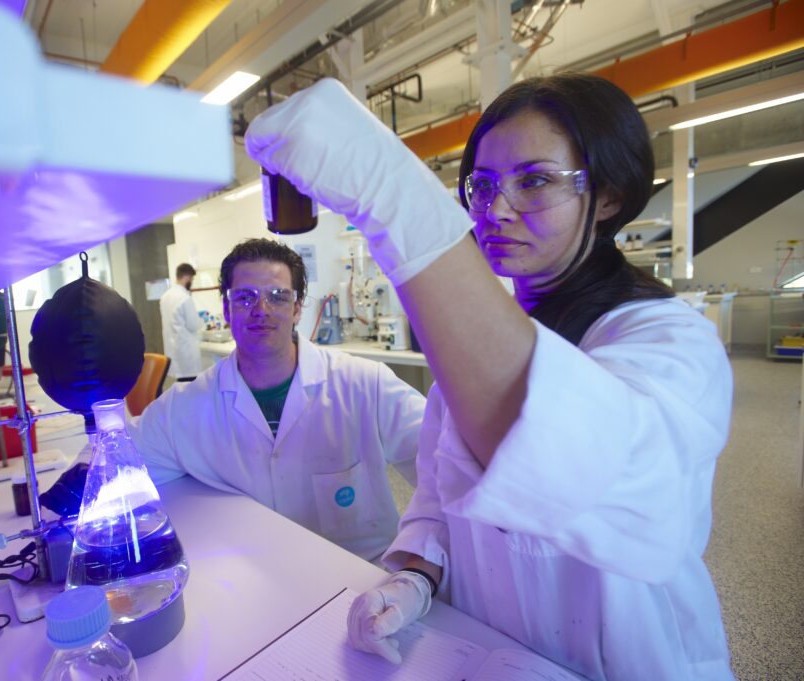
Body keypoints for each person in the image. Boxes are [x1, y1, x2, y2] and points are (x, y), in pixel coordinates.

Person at [245, 75, 734, 680]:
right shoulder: (488, 335)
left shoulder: (669, 340)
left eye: (533, 181)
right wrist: (414, 579)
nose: (496, 209)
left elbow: (578, 468)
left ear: (606, 196)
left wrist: (394, 198)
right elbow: (440, 493)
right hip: (484, 653)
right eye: (483, 185)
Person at [129, 238, 427, 561]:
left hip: (364, 582)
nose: (262, 311)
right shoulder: (184, 407)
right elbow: (118, 463)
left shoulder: (366, 384)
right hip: (254, 585)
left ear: (298, 308)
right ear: (227, 309)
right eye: (245, 298)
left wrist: (418, 565)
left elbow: (451, 472)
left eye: (278, 297)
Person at [159, 263, 203, 382]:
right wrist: (201, 320)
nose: (191, 282)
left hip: (173, 351)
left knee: (181, 387)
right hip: (186, 352)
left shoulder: (165, 297)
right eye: (192, 279)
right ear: (187, 277)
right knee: (190, 387)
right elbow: (193, 325)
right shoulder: (185, 298)